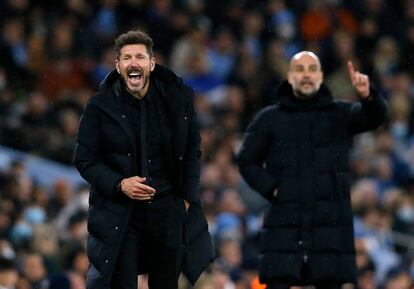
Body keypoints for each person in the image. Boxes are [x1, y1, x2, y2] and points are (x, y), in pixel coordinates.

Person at [73, 30, 214, 289]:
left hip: (167, 210)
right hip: (121, 213)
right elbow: (84, 159)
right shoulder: (98, 107)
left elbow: (193, 149)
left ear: (152, 63)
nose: (133, 63)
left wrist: (187, 197)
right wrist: (119, 184)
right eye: (126, 58)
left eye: (140, 56)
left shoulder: (177, 100)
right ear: (117, 66)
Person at [236, 51, 387, 289]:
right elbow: (245, 160)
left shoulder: (340, 113)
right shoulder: (269, 118)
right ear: (289, 76)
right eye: (300, 69)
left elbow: (375, 118)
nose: (306, 75)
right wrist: (273, 188)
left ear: (321, 76)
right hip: (284, 226)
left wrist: (369, 97)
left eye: (312, 69)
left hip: (330, 230)